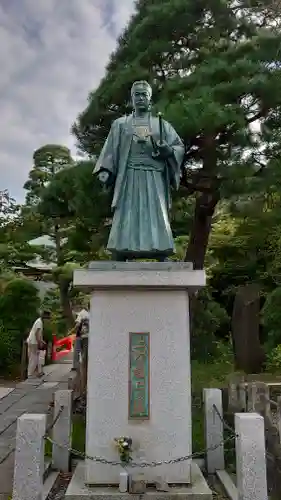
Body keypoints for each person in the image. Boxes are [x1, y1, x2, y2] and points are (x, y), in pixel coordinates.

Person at [94, 80, 185, 261]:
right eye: (137, 94)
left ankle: (161, 250)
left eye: (144, 94)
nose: (141, 98)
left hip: (154, 177)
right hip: (129, 175)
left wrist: (168, 151)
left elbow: (178, 147)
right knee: (127, 212)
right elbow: (110, 149)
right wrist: (105, 169)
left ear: (150, 99)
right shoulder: (120, 124)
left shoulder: (161, 124)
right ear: (132, 99)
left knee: (156, 212)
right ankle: (121, 249)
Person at [26, 310, 50, 378]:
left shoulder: (39, 321)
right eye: (47, 318)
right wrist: (40, 342)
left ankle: (38, 372)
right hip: (34, 342)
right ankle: (30, 374)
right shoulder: (39, 322)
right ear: (45, 316)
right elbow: (37, 333)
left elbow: (39, 334)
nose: (47, 320)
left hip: (33, 341)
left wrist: (41, 341)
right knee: (34, 358)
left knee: (36, 357)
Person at [72, 306, 90, 371]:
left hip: (80, 336)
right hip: (88, 336)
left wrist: (71, 331)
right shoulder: (90, 314)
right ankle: (84, 365)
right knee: (84, 353)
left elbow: (77, 324)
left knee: (76, 351)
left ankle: (75, 367)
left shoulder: (81, 313)